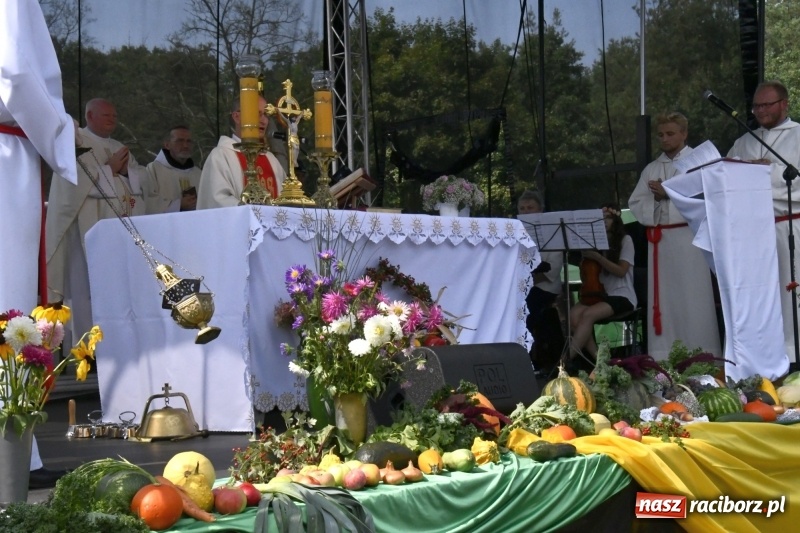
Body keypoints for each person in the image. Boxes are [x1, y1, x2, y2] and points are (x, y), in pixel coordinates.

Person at [0, 0, 78, 489]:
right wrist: (61, 135)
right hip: (6, 161)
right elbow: (17, 72)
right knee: (9, 298)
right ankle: (10, 456)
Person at [46, 98, 146, 349]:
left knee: (117, 288)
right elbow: (74, 184)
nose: (113, 119)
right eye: (106, 115)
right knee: (86, 290)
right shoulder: (76, 142)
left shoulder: (119, 146)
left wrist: (123, 173)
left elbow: (138, 180)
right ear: (89, 116)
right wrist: (109, 169)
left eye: (114, 115)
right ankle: (86, 349)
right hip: (87, 228)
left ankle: (117, 344)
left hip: (117, 228)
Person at [628, 112, 721, 360]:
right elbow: (636, 202)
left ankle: (703, 354)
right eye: (661, 135)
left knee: (693, 299)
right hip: (661, 242)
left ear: (684, 133)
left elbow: (709, 197)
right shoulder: (652, 168)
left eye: (670, 133)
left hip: (691, 240)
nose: (665, 139)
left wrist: (668, 194)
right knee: (666, 302)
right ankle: (664, 355)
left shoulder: (699, 162)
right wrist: (657, 201)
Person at [727, 80, 800, 366]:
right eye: (756, 106)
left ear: (784, 104)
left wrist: (764, 173)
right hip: (754, 235)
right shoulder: (744, 140)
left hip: (791, 227)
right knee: (761, 299)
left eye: (766, 105)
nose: (760, 111)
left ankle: (795, 356)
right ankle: (766, 359)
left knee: (791, 295)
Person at [568, 204, 636, 368]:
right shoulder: (593, 242)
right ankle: (600, 361)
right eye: (600, 219)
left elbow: (621, 271)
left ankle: (566, 359)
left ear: (616, 220)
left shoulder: (625, 240)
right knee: (574, 315)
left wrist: (598, 258)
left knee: (588, 314)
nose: (604, 222)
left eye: (608, 218)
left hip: (622, 295)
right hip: (599, 293)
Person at [197, 96, 287, 209]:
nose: (263, 120)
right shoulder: (221, 155)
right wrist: (253, 213)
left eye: (266, 115)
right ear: (237, 117)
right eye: (257, 114)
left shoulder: (271, 159)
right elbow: (217, 201)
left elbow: (283, 200)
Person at [517, 190, 564, 373]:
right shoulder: (517, 232)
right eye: (522, 209)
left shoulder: (553, 231)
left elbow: (553, 267)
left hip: (545, 285)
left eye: (531, 208)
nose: (526, 212)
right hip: (524, 285)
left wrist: (527, 281)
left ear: (540, 209)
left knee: (527, 306)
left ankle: (530, 358)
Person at [144, 125, 201, 214]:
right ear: (167, 144)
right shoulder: (153, 170)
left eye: (189, 141)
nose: (185, 145)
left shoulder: (198, 173)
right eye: (180, 141)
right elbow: (148, 201)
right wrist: (178, 205)